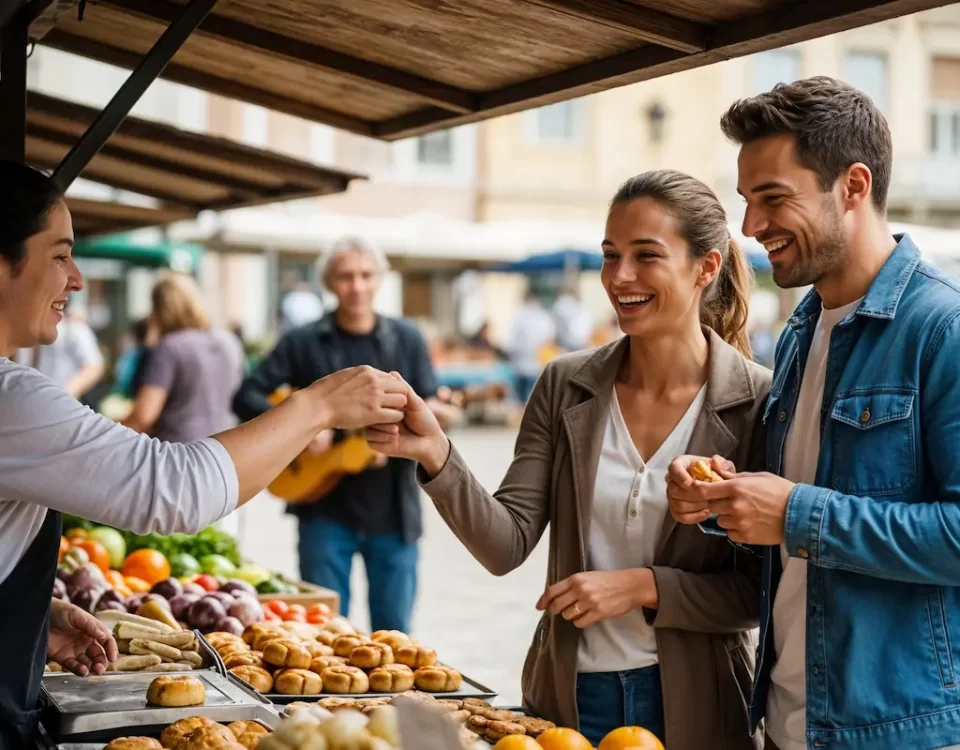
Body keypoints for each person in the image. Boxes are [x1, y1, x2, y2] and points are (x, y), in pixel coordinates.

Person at [0, 161, 407, 749]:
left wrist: (35, 620)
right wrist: (318, 405)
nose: (79, 279)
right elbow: (175, 489)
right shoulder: (13, 399)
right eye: (60, 255)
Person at [367, 170, 770, 749]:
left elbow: (760, 591)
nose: (619, 277)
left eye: (645, 255)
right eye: (610, 255)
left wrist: (644, 587)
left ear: (705, 268)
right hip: (570, 697)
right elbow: (506, 544)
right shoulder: (565, 384)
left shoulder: (757, 402)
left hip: (699, 701)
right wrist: (437, 454)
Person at [667, 77, 960, 750]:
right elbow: (792, 515)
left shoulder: (942, 328)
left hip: (896, 735)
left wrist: (797, 512)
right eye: (746, 201)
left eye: (772, 198)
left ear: (853, 186)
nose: (750, 227)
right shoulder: (802, 330)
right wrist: (724, 496)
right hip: (788, 722)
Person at [233, 236, 459, 634]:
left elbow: (430, 406)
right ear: (329, 283)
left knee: (395, 637)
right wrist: (300, 426)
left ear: (379, 280)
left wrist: (440, 416)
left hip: (393, 509)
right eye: (346, 277)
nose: (357, 286)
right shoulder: (302, 341)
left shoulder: (406, 338)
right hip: (323, 510)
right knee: (323, 634)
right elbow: (245, 395)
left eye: (365, 275)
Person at [121, 274, 245, 443]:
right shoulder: (229, 341)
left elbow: (144, 416)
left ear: (160, 309)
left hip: (181, 450)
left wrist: (107, 433)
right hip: (225, 448)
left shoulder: (170, 347)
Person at [15, 301, 104, 401]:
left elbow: (93, 366)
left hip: (61, 401)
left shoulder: (73, 328)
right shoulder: (23, 332)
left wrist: (65, 394)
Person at [506, 289, 555, 403]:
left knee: (519, 399)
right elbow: (550, 338)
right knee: (534, 399)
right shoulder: (544, 316)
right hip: (537, 363)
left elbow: (509, 342)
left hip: (519, 364)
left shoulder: (517, 315)